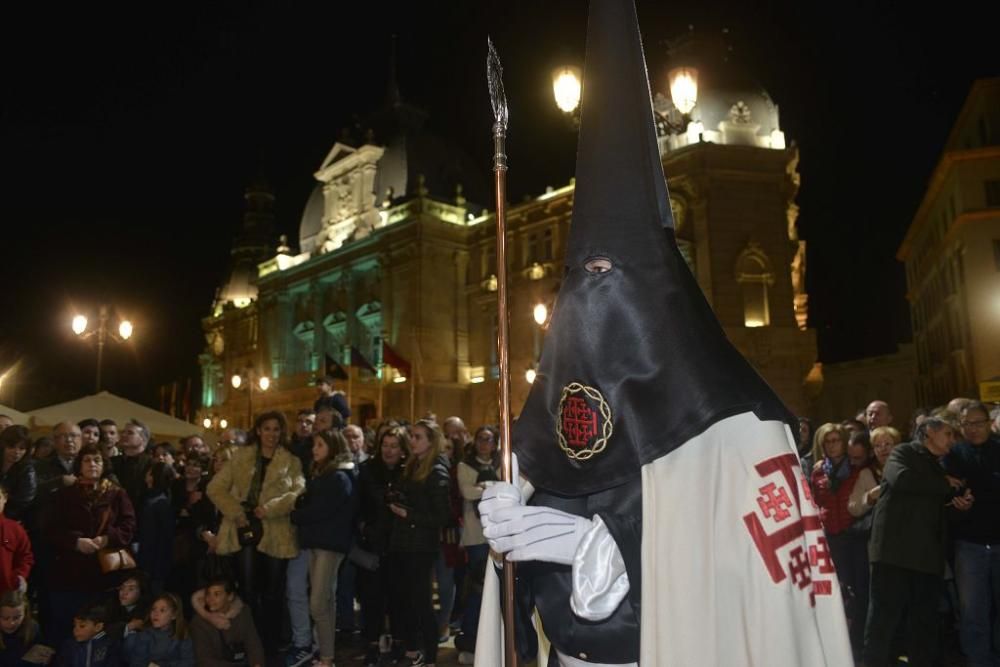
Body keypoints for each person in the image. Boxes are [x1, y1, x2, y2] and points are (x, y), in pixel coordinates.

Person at [477, 2, 852, 664]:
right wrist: (508, 510)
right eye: (585, 275)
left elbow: (747, 584)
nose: (599, 294)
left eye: (618, 274)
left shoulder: (743, 425)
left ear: (666, 293)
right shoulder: (550, 415)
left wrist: (595, 546)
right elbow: (525, 567)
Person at [864, 417, 973, 666]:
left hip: (925, 559)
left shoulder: (937, 466)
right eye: (947, 434)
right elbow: (902, 480)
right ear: (928, 433)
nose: (952, 441)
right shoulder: (903, 452)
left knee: (923, 624)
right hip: (894, 556)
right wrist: (944, 484)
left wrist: (957, 504)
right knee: (883, 620)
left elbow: (932, 505)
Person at [206, 410, 305, 652]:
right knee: (248, 589)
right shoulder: (241, 457)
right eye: (267, 428)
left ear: (282, 432)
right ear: (258, 430)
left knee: (273, 591)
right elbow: (214, 488)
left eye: (276, 429)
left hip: (276, 531)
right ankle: (251, 641)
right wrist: (237, 513)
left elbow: (297, 493)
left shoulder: (291, 461)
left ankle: (270, 642)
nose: (271, 433)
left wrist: (270, 508)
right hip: (245, 528)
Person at [45, 444, 136, 646]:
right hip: (69, 573)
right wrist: (76, 542)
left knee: (100, 630)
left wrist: (107, 539)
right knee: (67, 629)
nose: (92, 464)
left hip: (103, 575)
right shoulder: (65, 494)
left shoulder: (116, 494)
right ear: (79, 464)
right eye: (87, 460)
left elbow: (129, 526)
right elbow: (51, 528)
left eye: (97, 460)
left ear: (104, 464)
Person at [290, 428, 357, 667]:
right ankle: (327, 657)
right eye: (314, 445)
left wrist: (295, 515)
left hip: (329, 544)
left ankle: (327, 656)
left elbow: (322, 510)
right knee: (325, 602)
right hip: (319, 543)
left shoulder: (338, 476)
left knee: (318, 603)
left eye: (320, 445)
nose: (314, 449)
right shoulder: (324, 474)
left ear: (333, 447)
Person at [387, 419, 451, 667]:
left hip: (421, 546)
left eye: (417, 437)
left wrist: (408, 514)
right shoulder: (412, 465)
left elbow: (441, 516)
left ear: (431, 442)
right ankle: (413, 651)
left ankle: (431, 657)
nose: (411, 440)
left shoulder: (437, 470)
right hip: (404, 543)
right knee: (405, 600)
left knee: (421, 601)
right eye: (411, 436)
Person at [942, 401, 1000, 667]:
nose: (973, 429)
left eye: (978, 423)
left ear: (989, 423)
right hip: (969, 544)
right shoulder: (953, 455)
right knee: (973, 612)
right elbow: (944, 498)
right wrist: (956, 504)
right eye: (967, 424)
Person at [356, 425, 409, 667]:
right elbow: (358, 504)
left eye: (394, 446)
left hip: (400, 544)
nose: (388, 451)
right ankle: (372, 644)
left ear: (402, 449)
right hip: (373, 542)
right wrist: (364, 529)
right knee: (372, 598)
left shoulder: (408, 471)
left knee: (399, 596)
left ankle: (399, 641)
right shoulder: (367, 470)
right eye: (385, 445)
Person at [454, 425, 499, 658]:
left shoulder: (501, 463)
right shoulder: (465, 465)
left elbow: (507, 490)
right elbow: (467, 492)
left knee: (498, 590)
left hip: (498, 535)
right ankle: (470, 637)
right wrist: (492, 488)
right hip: (476, 536)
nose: (484, 444)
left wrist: (484, 487)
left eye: (489, 439)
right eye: (480, 439)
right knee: (477, 590)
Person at [189, 578, 265, 667]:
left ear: (230, 596)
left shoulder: (243, 613)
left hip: (242, 662)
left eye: (216, 594)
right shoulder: (199, 622)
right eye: (208, 594)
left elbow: (253, 644)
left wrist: (257, 664)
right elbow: (204, 660)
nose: (210, 599)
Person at [137, 462, 177, 595]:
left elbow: (162, 539)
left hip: (154, 564)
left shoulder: (159, 502)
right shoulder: (152, 498)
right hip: (150, 561)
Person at [123, 593, 193, 667]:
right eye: (153, 609)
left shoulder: (182, 634)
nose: (156, 614)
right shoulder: (145, 635)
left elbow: (188, 662)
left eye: (162, 610)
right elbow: (137, 662)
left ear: (174, 615)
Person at [0, 589, 50, 667]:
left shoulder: (32, 628)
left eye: (17, 618)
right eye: (5, 618)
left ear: (25, 614)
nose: (11, 623)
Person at [0, 485, 32, 594]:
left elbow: (25, 557)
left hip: (6, 596)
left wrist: (19, 576)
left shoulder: (15, 529)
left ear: (5, 498)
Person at [0, 426, 35, 525]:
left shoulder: (28, 470)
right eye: (11, 446)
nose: (16, 452)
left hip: (11, 520)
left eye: (22, 448)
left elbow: (22, 502)